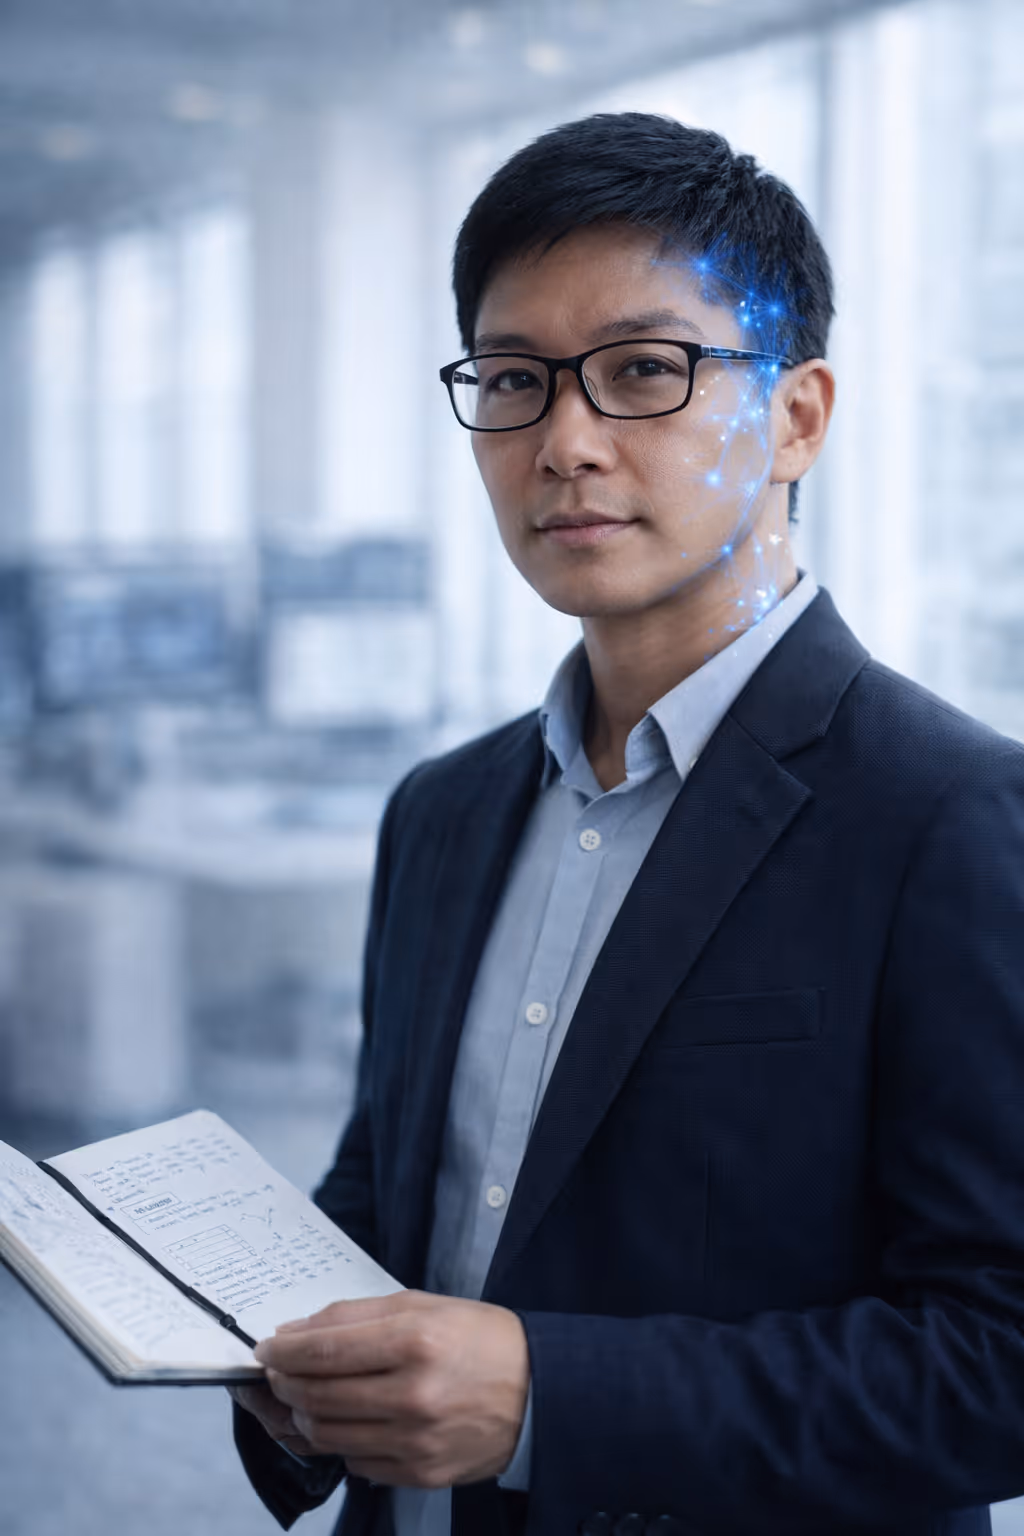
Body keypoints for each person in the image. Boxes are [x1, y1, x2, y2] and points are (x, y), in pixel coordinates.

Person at [232, 112, 1024, 1536]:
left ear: (798, 417)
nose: (564, 444)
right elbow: (397, 1188)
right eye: (516, 381)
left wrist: (546, 1402)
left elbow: (1000, 1358)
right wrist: (280, 1351)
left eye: (646, 372)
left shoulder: (956, 816)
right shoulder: (442, 813)